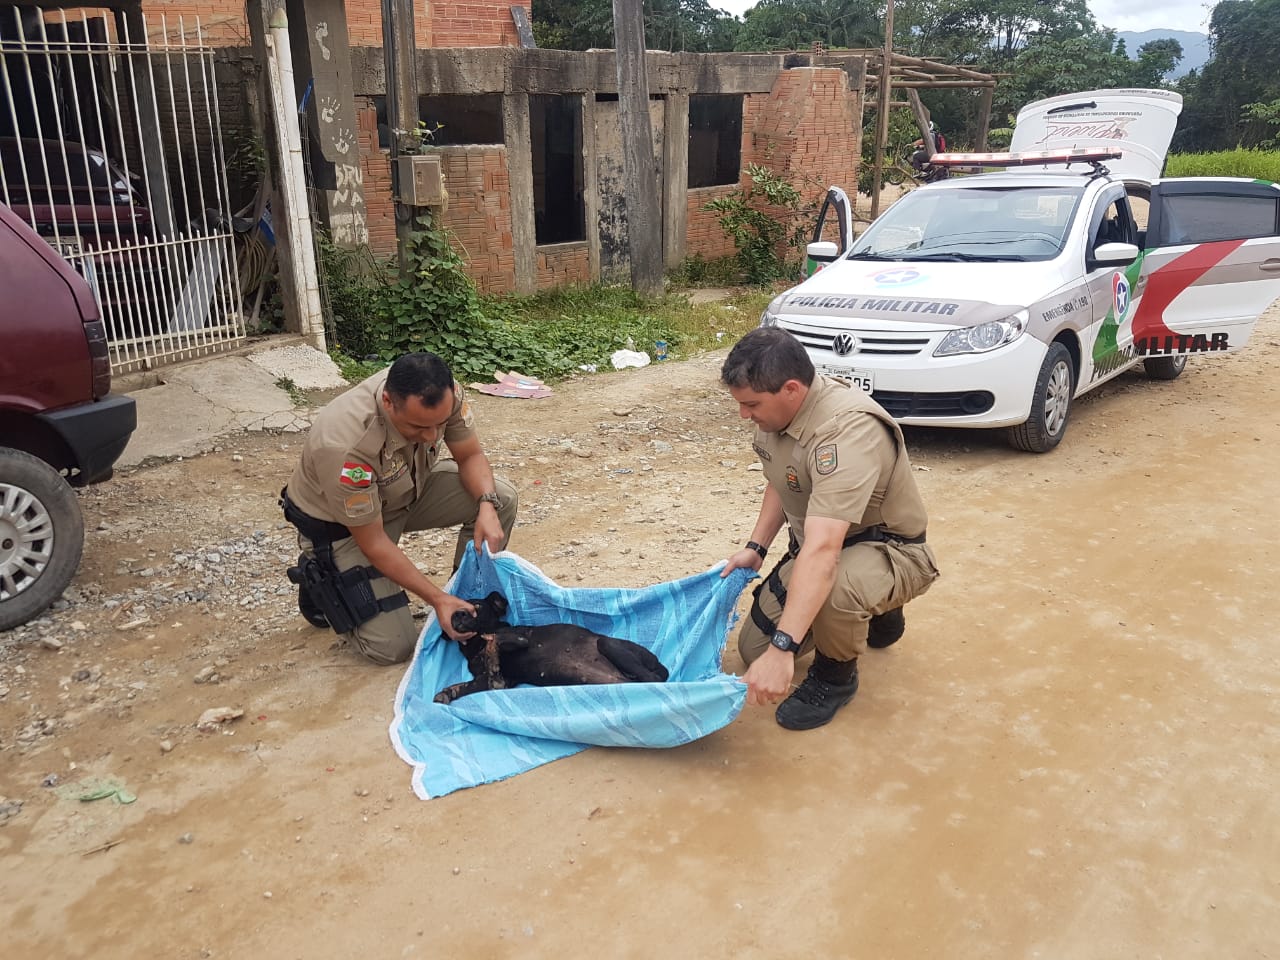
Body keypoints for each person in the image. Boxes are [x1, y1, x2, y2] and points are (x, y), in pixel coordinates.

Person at [719, 328, 940, 730]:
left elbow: (823, 551)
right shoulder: (777, 414)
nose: (744, 415)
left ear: (790, 389)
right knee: (755, 650)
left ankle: (837, 677)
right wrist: (757, 546)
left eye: (751, 404)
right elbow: (781, 476)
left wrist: (785, 648)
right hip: (825, 544)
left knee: (835, 587)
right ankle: (871, 610)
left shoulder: (847, 431)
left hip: (891, 549)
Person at [281, 351, 518, 665]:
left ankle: (466, 597)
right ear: (389, 402)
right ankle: (321, 572)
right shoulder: (345, 445)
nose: (433, 436)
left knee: (501, 497)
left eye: (439, 425)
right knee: (393, 647)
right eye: (418, 427)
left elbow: (470, 456)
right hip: (344, 527)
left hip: (404, 491)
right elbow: (375, 543)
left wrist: (487, 505)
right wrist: (436, 599)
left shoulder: (443, 393)